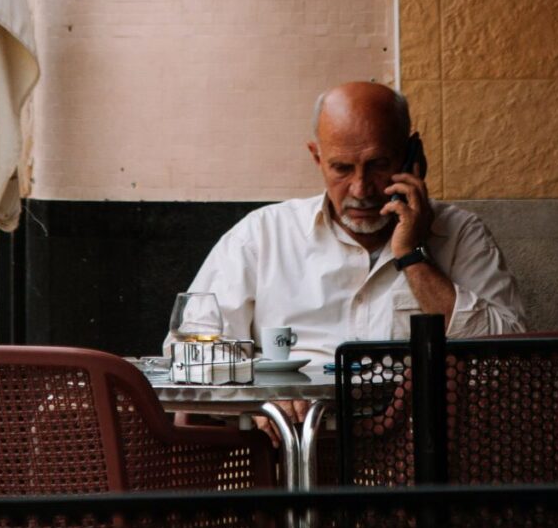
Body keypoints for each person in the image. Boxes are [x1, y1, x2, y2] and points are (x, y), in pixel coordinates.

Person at [171, 81, 527, 435]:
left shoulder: (460, 235)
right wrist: (264, 399)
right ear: (317, 158)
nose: (361, 189)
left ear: (412, 156)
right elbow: (191, 351)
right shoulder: (261, 236)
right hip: (288, 451)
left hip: (420, 457)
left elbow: (510, 358)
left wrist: (414, 257)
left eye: (378, 165)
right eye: (341, 168)